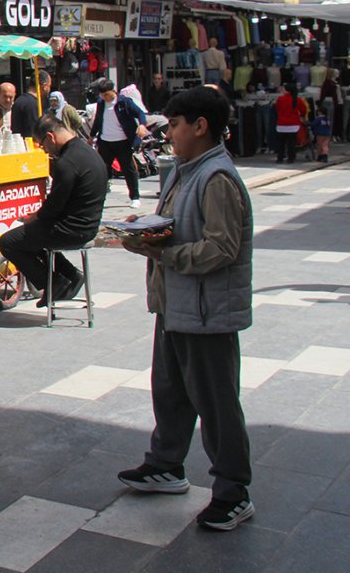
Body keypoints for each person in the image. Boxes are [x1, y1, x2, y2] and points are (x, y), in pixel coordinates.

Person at [117, 86, 255, 532]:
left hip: (206, 312)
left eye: (175, 125)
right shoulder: (181, 170)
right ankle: (166, 464)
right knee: (171, 390)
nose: (169, 133)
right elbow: (180, 226)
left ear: (200, 127)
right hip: (175, 304)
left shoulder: (217, 178)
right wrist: (151, 232)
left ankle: (233, 491)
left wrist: (163, 254)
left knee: (216, 404)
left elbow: (222, 247)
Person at [0, 113, 107, 306]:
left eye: (43, 145)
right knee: (31, 236)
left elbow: (53, 207)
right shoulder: (89, 152)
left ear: (51, 137)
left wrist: (33, 217)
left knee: (8, 242)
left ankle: (53, 283)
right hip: (88, 226)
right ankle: (70, 274)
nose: (45, 150)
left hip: (70, 229)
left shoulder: (67, 163)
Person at [92, 78, 149, 208]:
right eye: (102, 95)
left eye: (106, 94)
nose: (104, 97)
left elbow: (140, 113)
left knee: (128, 169)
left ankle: (135, 197)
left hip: (122, 141)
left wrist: (142, 125)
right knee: (103, 171)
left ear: (113, 91)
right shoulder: (101, 103)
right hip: (105, 141)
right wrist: (91, 136)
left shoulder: (124, 102)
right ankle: (99, 199)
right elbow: (98, 120)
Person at [273, 82, 307, 164]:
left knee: (281, 143)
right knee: (291, 143)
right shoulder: (298, 100)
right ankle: (291, 158)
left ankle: (280, 158)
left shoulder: (280, 99)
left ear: (287, 90)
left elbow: (277, 108)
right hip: (293, 125)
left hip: (281, 124)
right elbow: (303, 110)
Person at [11, 70, 51, 138]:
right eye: (49, 85)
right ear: (44, 86)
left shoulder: (19, 100)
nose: (49, 89)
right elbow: (33, 130)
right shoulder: (33, 104)